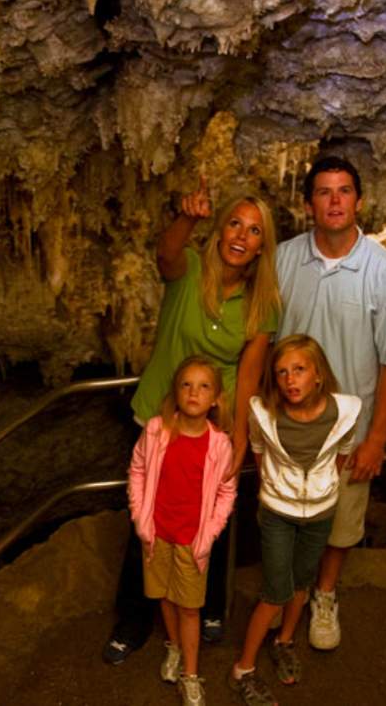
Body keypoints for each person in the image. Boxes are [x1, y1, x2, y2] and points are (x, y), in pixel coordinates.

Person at [103, 180, 280, 664]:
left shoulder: (262, 304)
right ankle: (133, 618)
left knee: (210, 522)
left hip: (213, 427)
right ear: (220, 229)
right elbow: (166, 255)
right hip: (162, 418)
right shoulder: (191, 271)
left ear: (264, 245)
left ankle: (206, 609)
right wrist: (188, 219)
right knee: (149, 522)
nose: (241, 236)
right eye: (234, 224)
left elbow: (247, 375)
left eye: (254, 231)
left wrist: (239, 437)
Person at [276, 155, 386, 651]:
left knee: (342, 522)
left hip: (350, 428)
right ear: (308, 204)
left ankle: (324, 594)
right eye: (324, 192)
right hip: (287, 423)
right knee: (286, 514)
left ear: (359, 201)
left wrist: (378, 438)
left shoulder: (382, 270)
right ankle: (287, 594)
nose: (335, 200)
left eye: (344, 191)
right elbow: (262, 344)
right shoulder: (282, 260)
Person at [229, 334, 360, 705]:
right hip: (277, 513)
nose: (290, 379)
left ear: (318, 375)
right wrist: (274, 487)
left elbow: (342, 453)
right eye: (282, 372)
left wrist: (322, 488)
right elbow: (257, 449)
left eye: (299, 370)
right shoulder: (264, 412)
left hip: (320, 512)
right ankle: (243, 669)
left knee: (302, 581)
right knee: (275, 592)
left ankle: (284, 641)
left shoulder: (346, 410)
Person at [129, 356, 237, 706]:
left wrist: (209, 534)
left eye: (204, 386)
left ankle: (191, 674)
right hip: (157, 534)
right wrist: (141, 519)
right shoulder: (157, 430)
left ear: (216, 399)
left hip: (193, 541)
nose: (194, 392)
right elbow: (138, 470)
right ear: (176, 393)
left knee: (190, 608)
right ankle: (173, 647)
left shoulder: (219, 444)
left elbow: (226, 492)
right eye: (186, 384)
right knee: (164, 594)